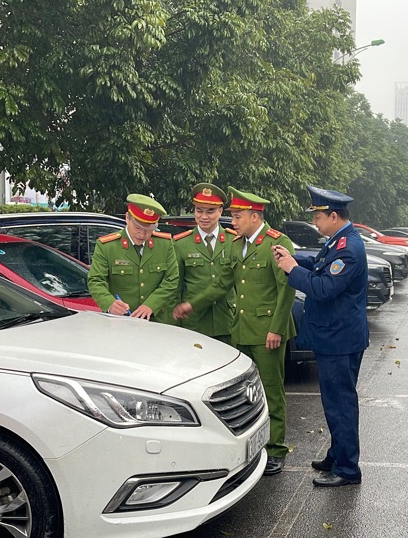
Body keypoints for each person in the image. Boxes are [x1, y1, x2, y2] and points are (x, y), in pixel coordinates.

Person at [272, 186, 368, 488]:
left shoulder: (348, 250)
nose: (315, 221)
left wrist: (290, 269)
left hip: (340, 341)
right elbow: (318, 263)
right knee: (333, 402)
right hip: (335, 338)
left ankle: (348, 469)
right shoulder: (338, 241)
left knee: (341, 404)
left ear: (334, 215)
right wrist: (295, 257)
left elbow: (323, 288)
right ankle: (337, 454)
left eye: (318, 215)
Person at [227, 186, 296, 476]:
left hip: (267, 332)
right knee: (242, 394)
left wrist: (276, 329)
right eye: (232, 215)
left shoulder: (278, 243)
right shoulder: (235, 244)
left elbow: (287, 289)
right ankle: (248, 448)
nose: (233, 221)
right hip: (241, 331)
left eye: (237, 215)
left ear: (254, 217)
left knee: (270, 390)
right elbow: (229, 285)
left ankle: (276, 448)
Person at [87, 194, 179, 322]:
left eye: (149, 229)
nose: (142, 234)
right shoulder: (107, 246)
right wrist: (109, 303)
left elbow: (172, 279)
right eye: (137, 228)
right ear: (127, 218)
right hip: (120, 320)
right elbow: (96, 280)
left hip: (157, 321)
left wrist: (151, 305)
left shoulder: (164, 244)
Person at [172, 183, 238, 344]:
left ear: (220, 211)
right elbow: (174, 287)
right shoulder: (181, 244)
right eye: (199, 210)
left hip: (227, 320)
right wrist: (174, 324)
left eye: (210, 211)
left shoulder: (234, 240)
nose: (204, 216)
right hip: (194, 322)